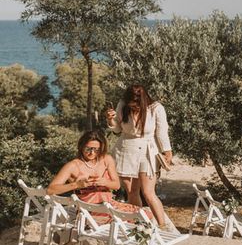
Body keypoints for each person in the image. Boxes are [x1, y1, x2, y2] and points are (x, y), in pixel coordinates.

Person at [105, 84, 172, 228]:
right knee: (132, 191)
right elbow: (117, 128)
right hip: (125, 150)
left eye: (136, 103)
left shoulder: (156, 108)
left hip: (148, 151)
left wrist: (167, 151)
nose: (133, 105)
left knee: (148, 192)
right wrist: (110, 119)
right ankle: (139, 224)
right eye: (131, 102)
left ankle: (162, 226)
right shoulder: (122, 105)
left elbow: (162, 132)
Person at [48, 130, 122, 205]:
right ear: (81, 146)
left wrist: (105, 182)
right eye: (88, 149)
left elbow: (117, 185)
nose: (92, 153)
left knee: (133, 212)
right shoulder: (73, 166)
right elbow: (50, 190)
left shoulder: (106, 159)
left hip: (108, 206)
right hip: (86, 211)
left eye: (96, 149)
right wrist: (76, 185)